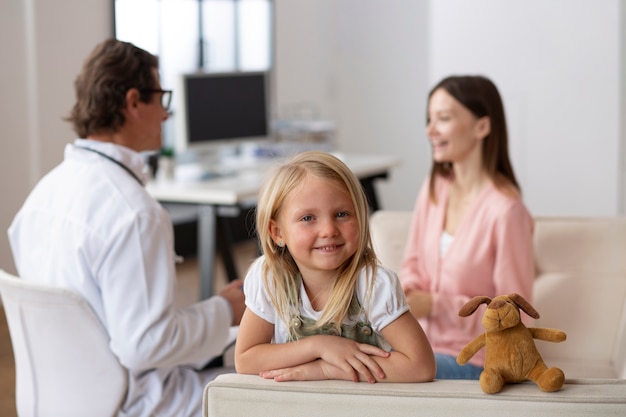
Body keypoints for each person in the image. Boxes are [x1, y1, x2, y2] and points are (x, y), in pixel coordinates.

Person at [8, 38, 245, 417]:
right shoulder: (135, 213)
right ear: (134, 102)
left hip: (58, 401)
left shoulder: (41, 196)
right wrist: (225, 310)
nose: (166, 116)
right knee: (268, 392)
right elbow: (144, 345)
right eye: (161, 99)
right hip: (135, 405)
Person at [235, 151, 436, 383]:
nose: (329, 230)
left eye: (342, 214)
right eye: (308, 218)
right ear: (277, 233)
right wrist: (319, 347)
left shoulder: (373, 285)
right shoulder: (269, 278)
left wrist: (326, 370)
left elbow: (421, 367)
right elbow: (246, 359)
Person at [399, 75, 534, 380]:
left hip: (476, 359)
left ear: (482, 127)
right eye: (429, 119)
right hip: (418, 346)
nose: (430, 130)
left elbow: (516, 314)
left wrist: (436, 305)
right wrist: (408, 291)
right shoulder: (435, 187)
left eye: (443, 119)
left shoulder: (506, 211)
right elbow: (412, 262)